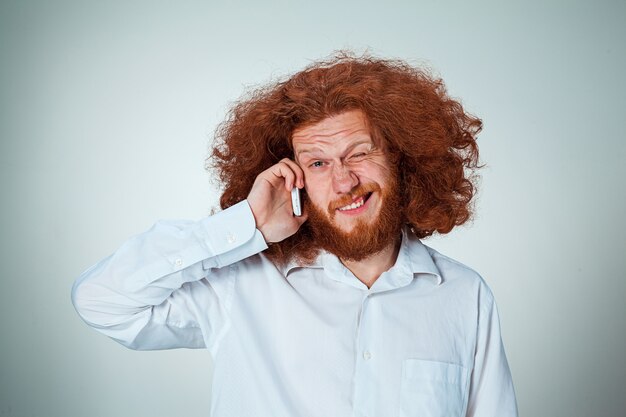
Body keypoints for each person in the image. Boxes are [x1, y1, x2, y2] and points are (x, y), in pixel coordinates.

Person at [72, 53, 518, 417]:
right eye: (318, 163)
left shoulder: (464, 296)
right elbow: (101, 301)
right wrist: (247, 223)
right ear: (292, 177)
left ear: (402, 159)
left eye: (359, 153)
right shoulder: (240, 285)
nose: (344, 183)